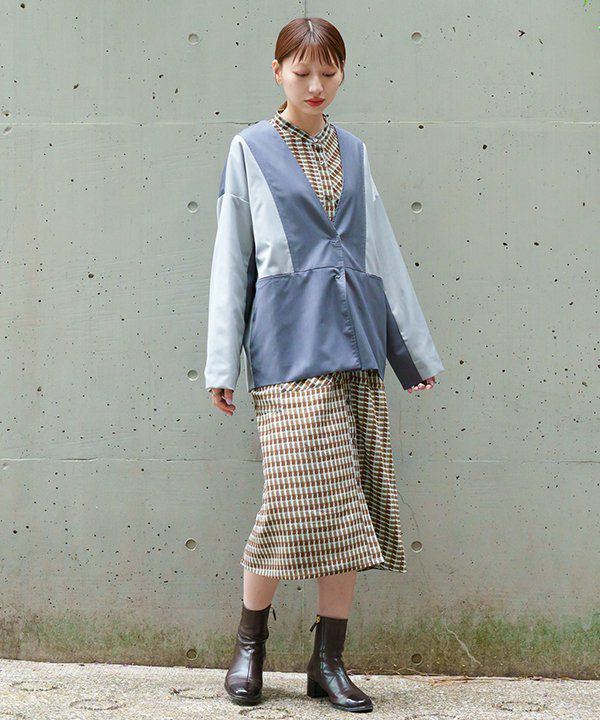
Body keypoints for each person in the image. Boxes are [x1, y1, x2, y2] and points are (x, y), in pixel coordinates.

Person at [204, 17, 445, 714]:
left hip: (357, 349)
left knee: (351, 506)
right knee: (289, 501)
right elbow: (232, 259)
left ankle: (327, 661)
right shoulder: (249, 149)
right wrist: (222, 362)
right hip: (289, 349)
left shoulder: (355, 152)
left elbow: (381, 254)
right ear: (277, 70)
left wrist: (410, 353)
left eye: (329, 73)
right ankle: (250, 644)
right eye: (302, 71)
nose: (316, 85)